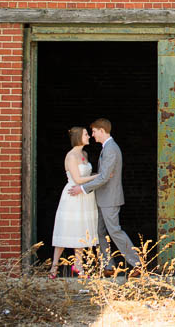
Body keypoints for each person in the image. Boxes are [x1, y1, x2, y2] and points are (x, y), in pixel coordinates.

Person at [69, 118, 141, 276]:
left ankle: (137, 263)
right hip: (102, 198)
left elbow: (104, 178)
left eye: (94, 132)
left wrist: (82, 188)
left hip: (110, 199)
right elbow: (102, 176)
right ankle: (108, 266)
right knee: (99, 232)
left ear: (102, 131)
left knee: (114, 231)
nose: (93, 135)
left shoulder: (111, 149)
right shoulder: (106, 148)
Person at [49, 126, 99, 279]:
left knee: (81, 229)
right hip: (73, 195)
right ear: (78, 137)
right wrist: (98, 176)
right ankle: (54, 267)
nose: (89, 136)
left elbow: (86, 176)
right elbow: (77, 179)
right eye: (85, 134)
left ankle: (78, 266)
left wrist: (98, 176)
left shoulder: (84, 153)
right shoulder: (71, 156)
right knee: (66, 228)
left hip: (85, 195)